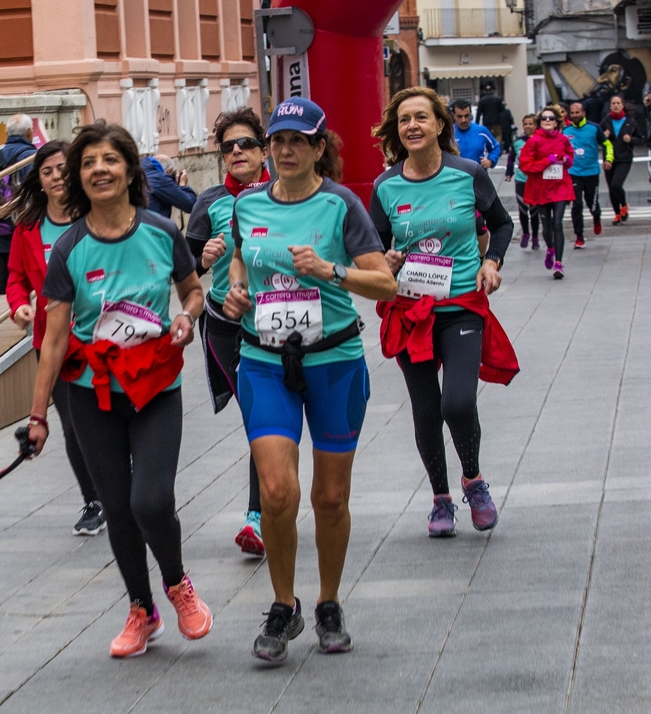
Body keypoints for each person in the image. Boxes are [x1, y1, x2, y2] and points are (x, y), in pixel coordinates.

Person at [27, 121, 212, 659]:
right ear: (77, 180)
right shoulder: (68, 248)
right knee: (117, 503)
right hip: (91, 393)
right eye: (88, 163)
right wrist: (38, 416)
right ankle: (141, 609)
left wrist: (187, 318)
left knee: (150, 499)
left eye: (109, 160)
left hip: (155, 385)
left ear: (130, 170)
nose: (98, 170)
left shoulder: (161, 231)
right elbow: (55, 338)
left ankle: (177, 586)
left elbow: (193, 290)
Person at [224, 97, 396, 663]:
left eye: (299, 140)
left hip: (333, 361)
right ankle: (283, 603)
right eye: (278, 141)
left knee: (329, 496)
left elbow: (385, 285)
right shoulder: (247, 205)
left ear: (320, 148)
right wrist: (236, 292)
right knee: (277, 491)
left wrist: (331, 271)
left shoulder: (341, 204)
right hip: (266, 360)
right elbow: (241, 264)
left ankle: (327, 601)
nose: (286, 150)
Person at [370, 87, 516, 542]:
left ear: (439, 126)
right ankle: (440, 498)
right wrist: (385, 262)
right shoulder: (385, 186)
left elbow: (503, 223)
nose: (412, 125)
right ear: (397, 131)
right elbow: (373, 247)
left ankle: (472, 480)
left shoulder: (467, 173)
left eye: (421, 117)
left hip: (460, 307)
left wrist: (492, 262)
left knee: (457, 401)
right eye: (404, 120)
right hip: (411, 309)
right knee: (426, 410)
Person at [5, 140, 106, 537]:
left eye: (62, 168)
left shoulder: (96, 217)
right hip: (53, 344)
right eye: (47, 172)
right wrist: (18, 307)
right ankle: (94, 500)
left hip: (101, 337)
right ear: (40, 182)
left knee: (108, 419)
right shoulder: (28, 227)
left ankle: (119, 480)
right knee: (74, 425)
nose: (56, 176)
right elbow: (13, 277)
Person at [185, 107, 271, 557]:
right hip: (226, 326)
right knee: (258, 417)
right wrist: (205, 257)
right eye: (228, 147)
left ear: (264, 148)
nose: (237, 152)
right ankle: (258, 517)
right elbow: (184, 264)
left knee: (273, 420)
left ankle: (275, 497)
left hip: (279, 320)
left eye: (246, 144)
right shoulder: (211, 200)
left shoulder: (284, 192)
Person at [0, 114, 38, 295]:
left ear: (6, 133)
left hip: (1, 222)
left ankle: (5, 302)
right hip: (27, 222)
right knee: (31, 265)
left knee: (6, 266)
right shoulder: (32, 157)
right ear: (30, 133)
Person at [520, 106, 576, 279]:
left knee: (558, 223)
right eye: (544, 118)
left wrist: (566, 161)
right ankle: (550, 249)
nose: (547, 121)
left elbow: (570, 156)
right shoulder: (533, 141)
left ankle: (558, 263)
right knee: (547, 227)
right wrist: (546, 161)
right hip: (541, 189)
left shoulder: (563, 139)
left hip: (560, 186)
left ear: (556, 121)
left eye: (550, 118)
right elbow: (525, 165)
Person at [564, 102, 612, 248]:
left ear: (583, 113)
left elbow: (607, 144)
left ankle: (596, 216)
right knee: (576, 204)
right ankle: (579, 236)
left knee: (592, 203)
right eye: (572, 113)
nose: (575, 116)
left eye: (577, 113)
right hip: (574, 173)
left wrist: (608, 159)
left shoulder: (594, 128)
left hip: (591, 172)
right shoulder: (566, 131)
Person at [600, 94, 640, 225]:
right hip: (609, 158)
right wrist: (603, 137)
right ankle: (617, 213)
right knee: (611, 187)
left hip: (624, 158)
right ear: (610, 106)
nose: (616, 105)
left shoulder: (630, 121)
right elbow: (598, 139)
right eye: (613, 103)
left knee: (616, 184)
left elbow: (640, 139)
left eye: (618, 103)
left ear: (622, 105)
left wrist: (631, 140)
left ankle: (624, 205)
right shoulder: (605, 121)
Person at [505, 114, 541, 250]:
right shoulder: (518, 143)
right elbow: (511, 159)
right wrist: (509, 173)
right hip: (521, 180)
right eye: (525, 124)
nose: (527, 126)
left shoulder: (539, 140)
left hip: (535, 181)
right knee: (523, 209)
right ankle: (526, 234)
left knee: (534, 210)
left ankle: (536, 237)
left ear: (535, 126)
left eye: (530, 124)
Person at [141, 153, 197, 217]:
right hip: (153, 225)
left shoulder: (141, 173)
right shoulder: (160, 179)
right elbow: (191, 205)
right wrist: (183, 185)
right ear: (169, 171)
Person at [452, 99, 501, 169]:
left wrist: (490, 160)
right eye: (459, 116)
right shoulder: (447, 133)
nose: (463, 120)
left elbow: (495, 147)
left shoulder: (481, 131)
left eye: (466, 116)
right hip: (456, 176)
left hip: (478, 175)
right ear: (453, 115)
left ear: (471, 114)